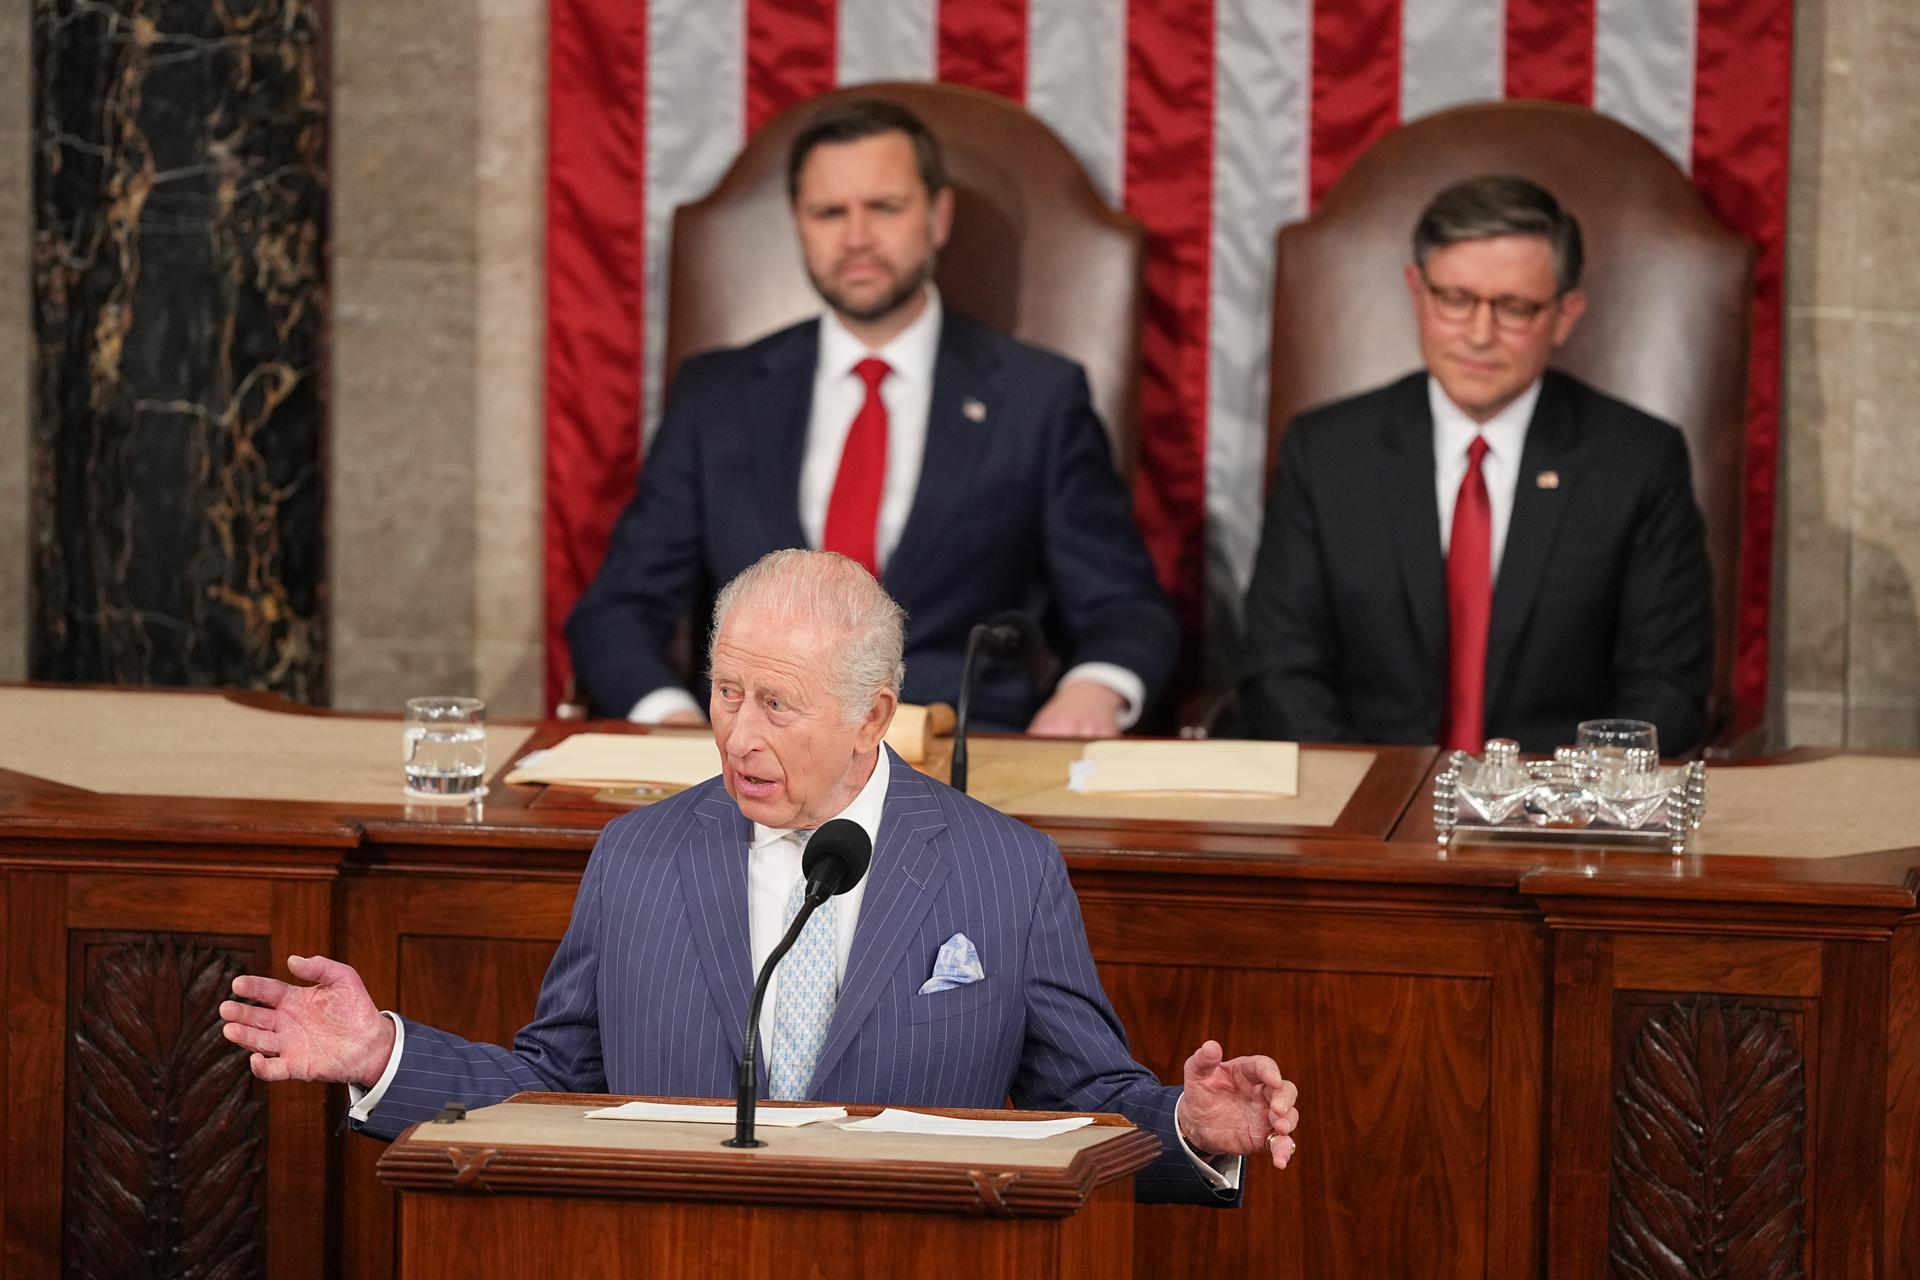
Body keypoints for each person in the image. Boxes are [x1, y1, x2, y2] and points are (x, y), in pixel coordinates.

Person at [221, 550, 1300, 1204]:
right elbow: (556, 1088)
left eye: (776, 703)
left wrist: (1192, 1126)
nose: (739, 732)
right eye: (725, 691)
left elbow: (1087, 1107)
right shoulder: (640, 855)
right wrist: (383, 1051)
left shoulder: (999, 869)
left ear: (874, 714)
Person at [565, 97, 1177, 740]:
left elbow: (1125, 607)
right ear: (799, 224)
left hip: (960, 761)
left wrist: (1093, 690)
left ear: (938, 218)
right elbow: (617, 610)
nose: (856, 236)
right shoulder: (717, 396)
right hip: (746, 761)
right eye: (829, 212)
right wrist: (676, 723)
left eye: (884, 207)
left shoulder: (1038, 397)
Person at [1240, 174, 1714, 755]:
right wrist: (1368, 808)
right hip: (1365, 813)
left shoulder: (1637, 460)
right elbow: (1281, 671)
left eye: (1514, 308)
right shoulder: (1326, 452)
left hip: (1559, 821)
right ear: (1417, 293)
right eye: (1456, 300)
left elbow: (1665, 687)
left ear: (1565, 315)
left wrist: (1558, 806)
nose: (1479, 334)